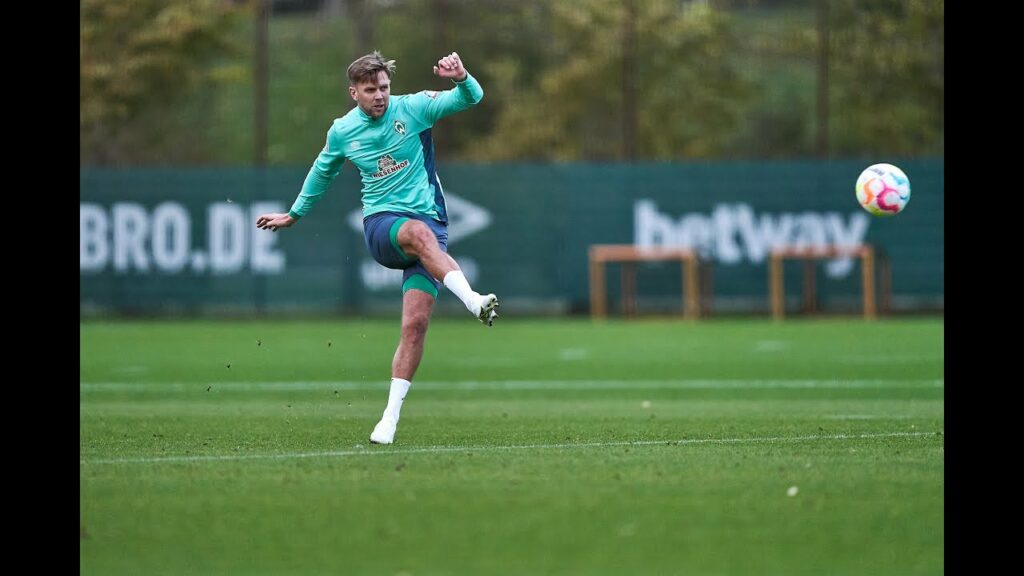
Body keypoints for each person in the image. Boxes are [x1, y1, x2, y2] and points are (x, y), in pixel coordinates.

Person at [255, 50, 498, 445]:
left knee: (415, 326)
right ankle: (472, 301)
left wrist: (461, 76)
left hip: (430, 229)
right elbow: (323, 170)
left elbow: (471, 98)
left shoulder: (414, 108)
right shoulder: (342, 131)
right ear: (354, 93)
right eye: (370, 90)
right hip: (383, 227)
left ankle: (388, 420)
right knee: (418, 234)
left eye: (384, 87)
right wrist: (294, 214)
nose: (380, 95)